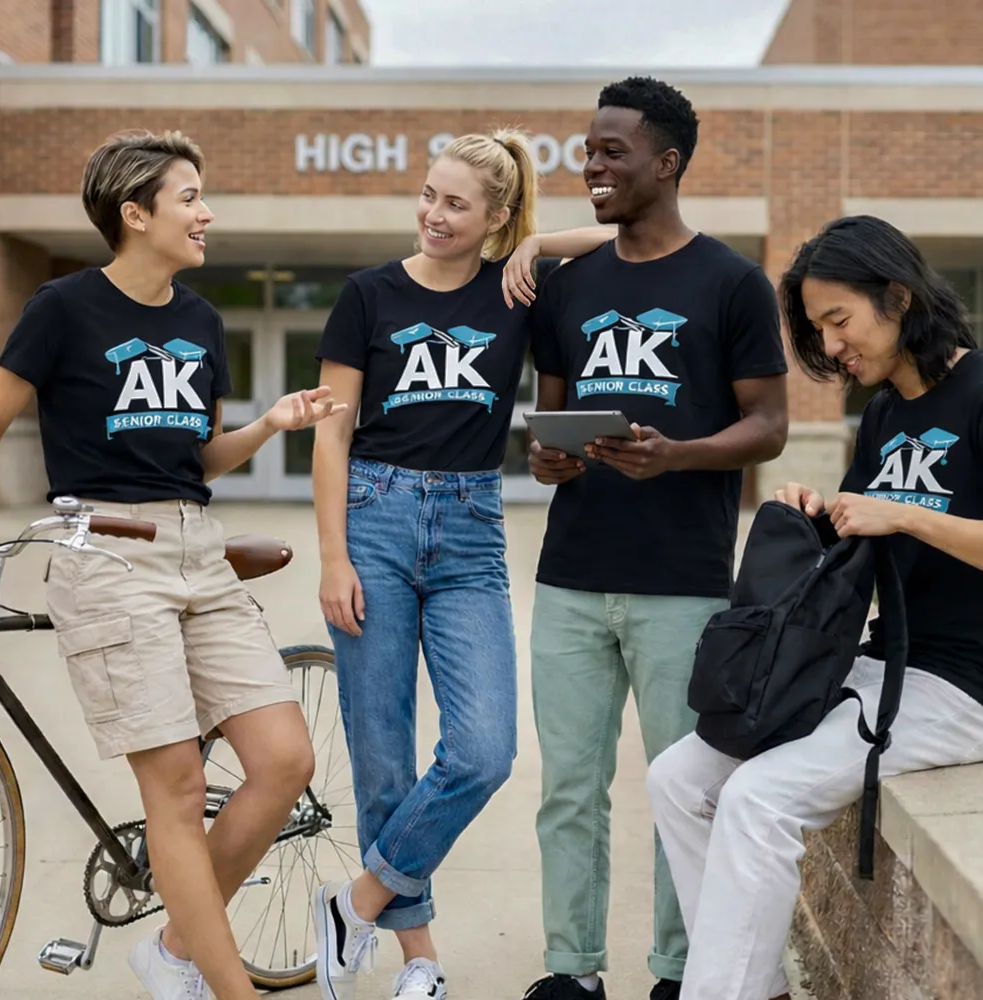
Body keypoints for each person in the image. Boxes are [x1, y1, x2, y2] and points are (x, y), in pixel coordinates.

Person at [0, 129, 346, 1000]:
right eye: (190, 197)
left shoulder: (200, 319)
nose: (206, 212)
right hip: (104, 553)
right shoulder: (62, 308)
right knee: (178, 789)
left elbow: (196, 462)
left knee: (285, 760)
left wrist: (266, 427)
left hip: (196, 548)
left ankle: (179, 947)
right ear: (134, 213)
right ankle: (231, 990)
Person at [310, 128, 614, 1000]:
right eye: (429, 195)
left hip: (472, 526)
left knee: (483, 751)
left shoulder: (519, 288)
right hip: (373, 513)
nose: (433, 214)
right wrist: (334, 554)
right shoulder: (367, 295)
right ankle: (422, 964)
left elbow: (627, 243)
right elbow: (333, 433)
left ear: (495, 216)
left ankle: (357, 902)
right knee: (383, 754)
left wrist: (537, 245)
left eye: (455, 203)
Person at [646, 214, 983, 1000]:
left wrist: (901, 514)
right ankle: (747, 988)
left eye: (839, 321)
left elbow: (904, 520)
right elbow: (861, 552)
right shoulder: (886, 416)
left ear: (896, 296)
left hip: (965, 685)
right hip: (879, 665)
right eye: (818, 328)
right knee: (678, 779)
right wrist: (816, 519)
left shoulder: (978, 393)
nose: (831, 348)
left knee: (759, 799)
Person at [521, 77, 789, 1000]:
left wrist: (678, 456)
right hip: (570, 576)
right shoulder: (570, 284)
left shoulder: (732, 283)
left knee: (685, 791)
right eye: (587, 150)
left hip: (684, 582)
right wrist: (548, 461)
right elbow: (546, 425)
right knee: (569, 791)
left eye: (611, 152)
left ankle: (682, 973)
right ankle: (572, 969)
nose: (591, 166)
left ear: (666, 163)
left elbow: (770, 425)